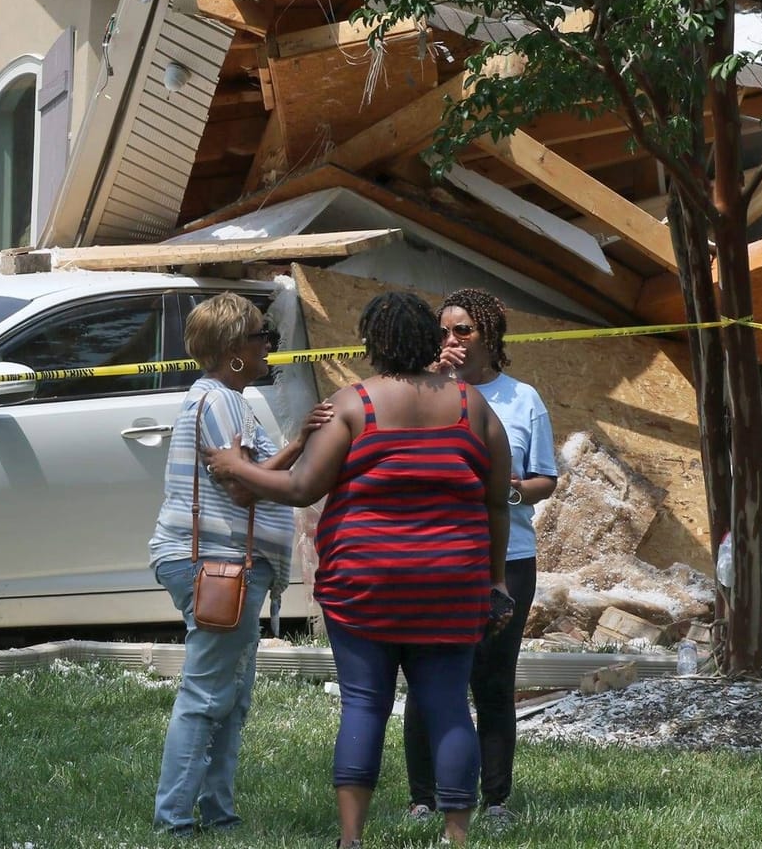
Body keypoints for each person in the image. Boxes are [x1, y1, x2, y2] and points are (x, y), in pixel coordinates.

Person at [205, 291, 512, 848]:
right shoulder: (474, 406)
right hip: (452, 581)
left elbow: (302, 487)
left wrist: (235, 466)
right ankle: (457, 835)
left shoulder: (355, 404)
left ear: (373, 344)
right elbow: (496, 502)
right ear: (428, 340)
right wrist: (494, 580)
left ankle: (350, 839)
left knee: (365, 704)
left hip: (364, 581)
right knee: (447, 704)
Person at [147, 292, 333, 837]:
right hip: (216, 562)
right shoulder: (220, 402)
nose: (270, 349)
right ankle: (176, 821)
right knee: (207, 695)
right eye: (262, 338)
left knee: (231, 696)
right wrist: (300, 442)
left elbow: (243, 477)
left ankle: (218, 815)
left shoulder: (226, 398)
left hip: (228, 563)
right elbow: (244, 487)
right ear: (233, 349)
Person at [406, 288, 559, 830]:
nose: (452, 341)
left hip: (509, 556)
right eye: (444, 331)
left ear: (491, 335)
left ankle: (496, 800)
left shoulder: (523, 399)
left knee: (493, 682)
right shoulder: (421, 391)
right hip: (437, 557)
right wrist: (431, 379)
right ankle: (422, 797)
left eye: (463, 330)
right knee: (430, 678)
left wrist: (506, 491)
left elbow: (545, 479)